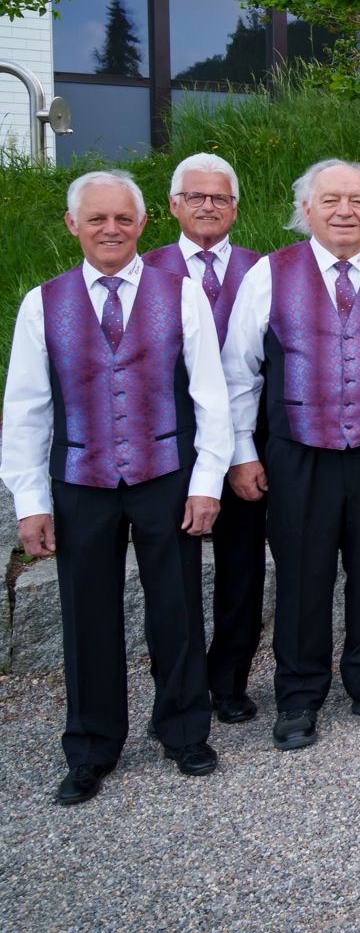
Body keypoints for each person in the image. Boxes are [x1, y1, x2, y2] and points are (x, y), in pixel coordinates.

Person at [2, 171, 230, 805]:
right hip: (82, 479)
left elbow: (210, 396)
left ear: (142, 224)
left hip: (165, 474)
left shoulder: (180, 294)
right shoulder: (41, 303)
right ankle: (91, 747)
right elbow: (26, 409)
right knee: (87, 617)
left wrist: (206, 482)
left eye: (123, 218)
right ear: (73, 225)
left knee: (177, 608)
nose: (111, 229)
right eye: (97, 218)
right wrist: (31, 502)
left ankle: (184, 730)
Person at [223, 159, 360, 751]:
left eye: (358, 201)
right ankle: (298, 695)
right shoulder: (268, 274)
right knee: (301, 575)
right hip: (298, 451)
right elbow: (240, 373)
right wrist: (241, 452)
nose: (345, 211)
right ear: (306, 209)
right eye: (332, 200)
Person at [141, 152, 268, 726]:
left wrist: (245, 448)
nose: (208, 206)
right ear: (173, 205)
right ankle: (177, 684)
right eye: (196, 196)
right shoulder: (145, 269)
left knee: (242, 567)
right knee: (173, 576)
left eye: (220, 197)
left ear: (235, 209)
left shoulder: (262, 269)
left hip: (245, 440)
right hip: (170, 443)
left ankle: (229, 679)